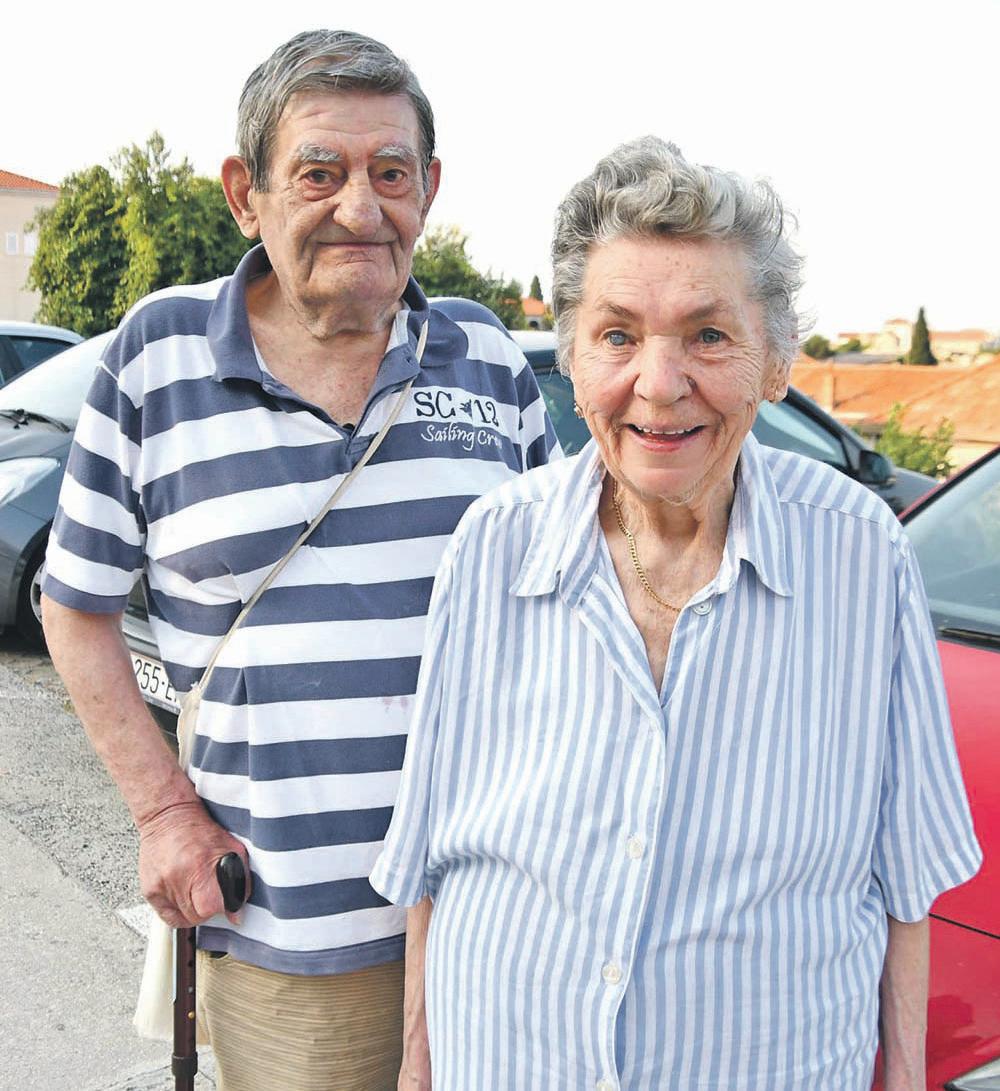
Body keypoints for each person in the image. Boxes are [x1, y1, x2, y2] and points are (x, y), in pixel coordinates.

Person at [370, 137, 982, 1090]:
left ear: (774, 360)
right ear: (575, 359)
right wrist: (416, 1070)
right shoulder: (491, 547)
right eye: (618, 335)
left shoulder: (863, 557)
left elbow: (907, 886)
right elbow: (429, 868)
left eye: (708, 335)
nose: (659, 383)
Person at [40, 29, 558, 1091]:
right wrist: (164, 812)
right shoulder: (159, 355)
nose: (361, 209)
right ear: (247, 194)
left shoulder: (489, 359)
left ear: (430, 191)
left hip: (497, 912)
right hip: (292, 934)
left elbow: (566, 601)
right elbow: (74, 604)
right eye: (320, 173)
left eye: (391, 174)